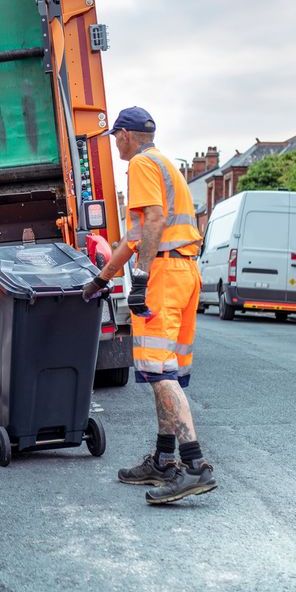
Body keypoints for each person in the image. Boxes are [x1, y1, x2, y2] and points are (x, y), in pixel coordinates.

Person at [81, 107, 217, 504]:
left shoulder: (141, 163)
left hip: (164, 277)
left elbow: (154, 223)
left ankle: (195, 467)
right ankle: (162, 459)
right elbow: (133, 237)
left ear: (124, 134)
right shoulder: (166, 165)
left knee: (159, 374)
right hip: (184, 274)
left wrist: (139, 280)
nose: (116, 145)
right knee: (164, 371)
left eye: (115, 138)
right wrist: (102, 279)